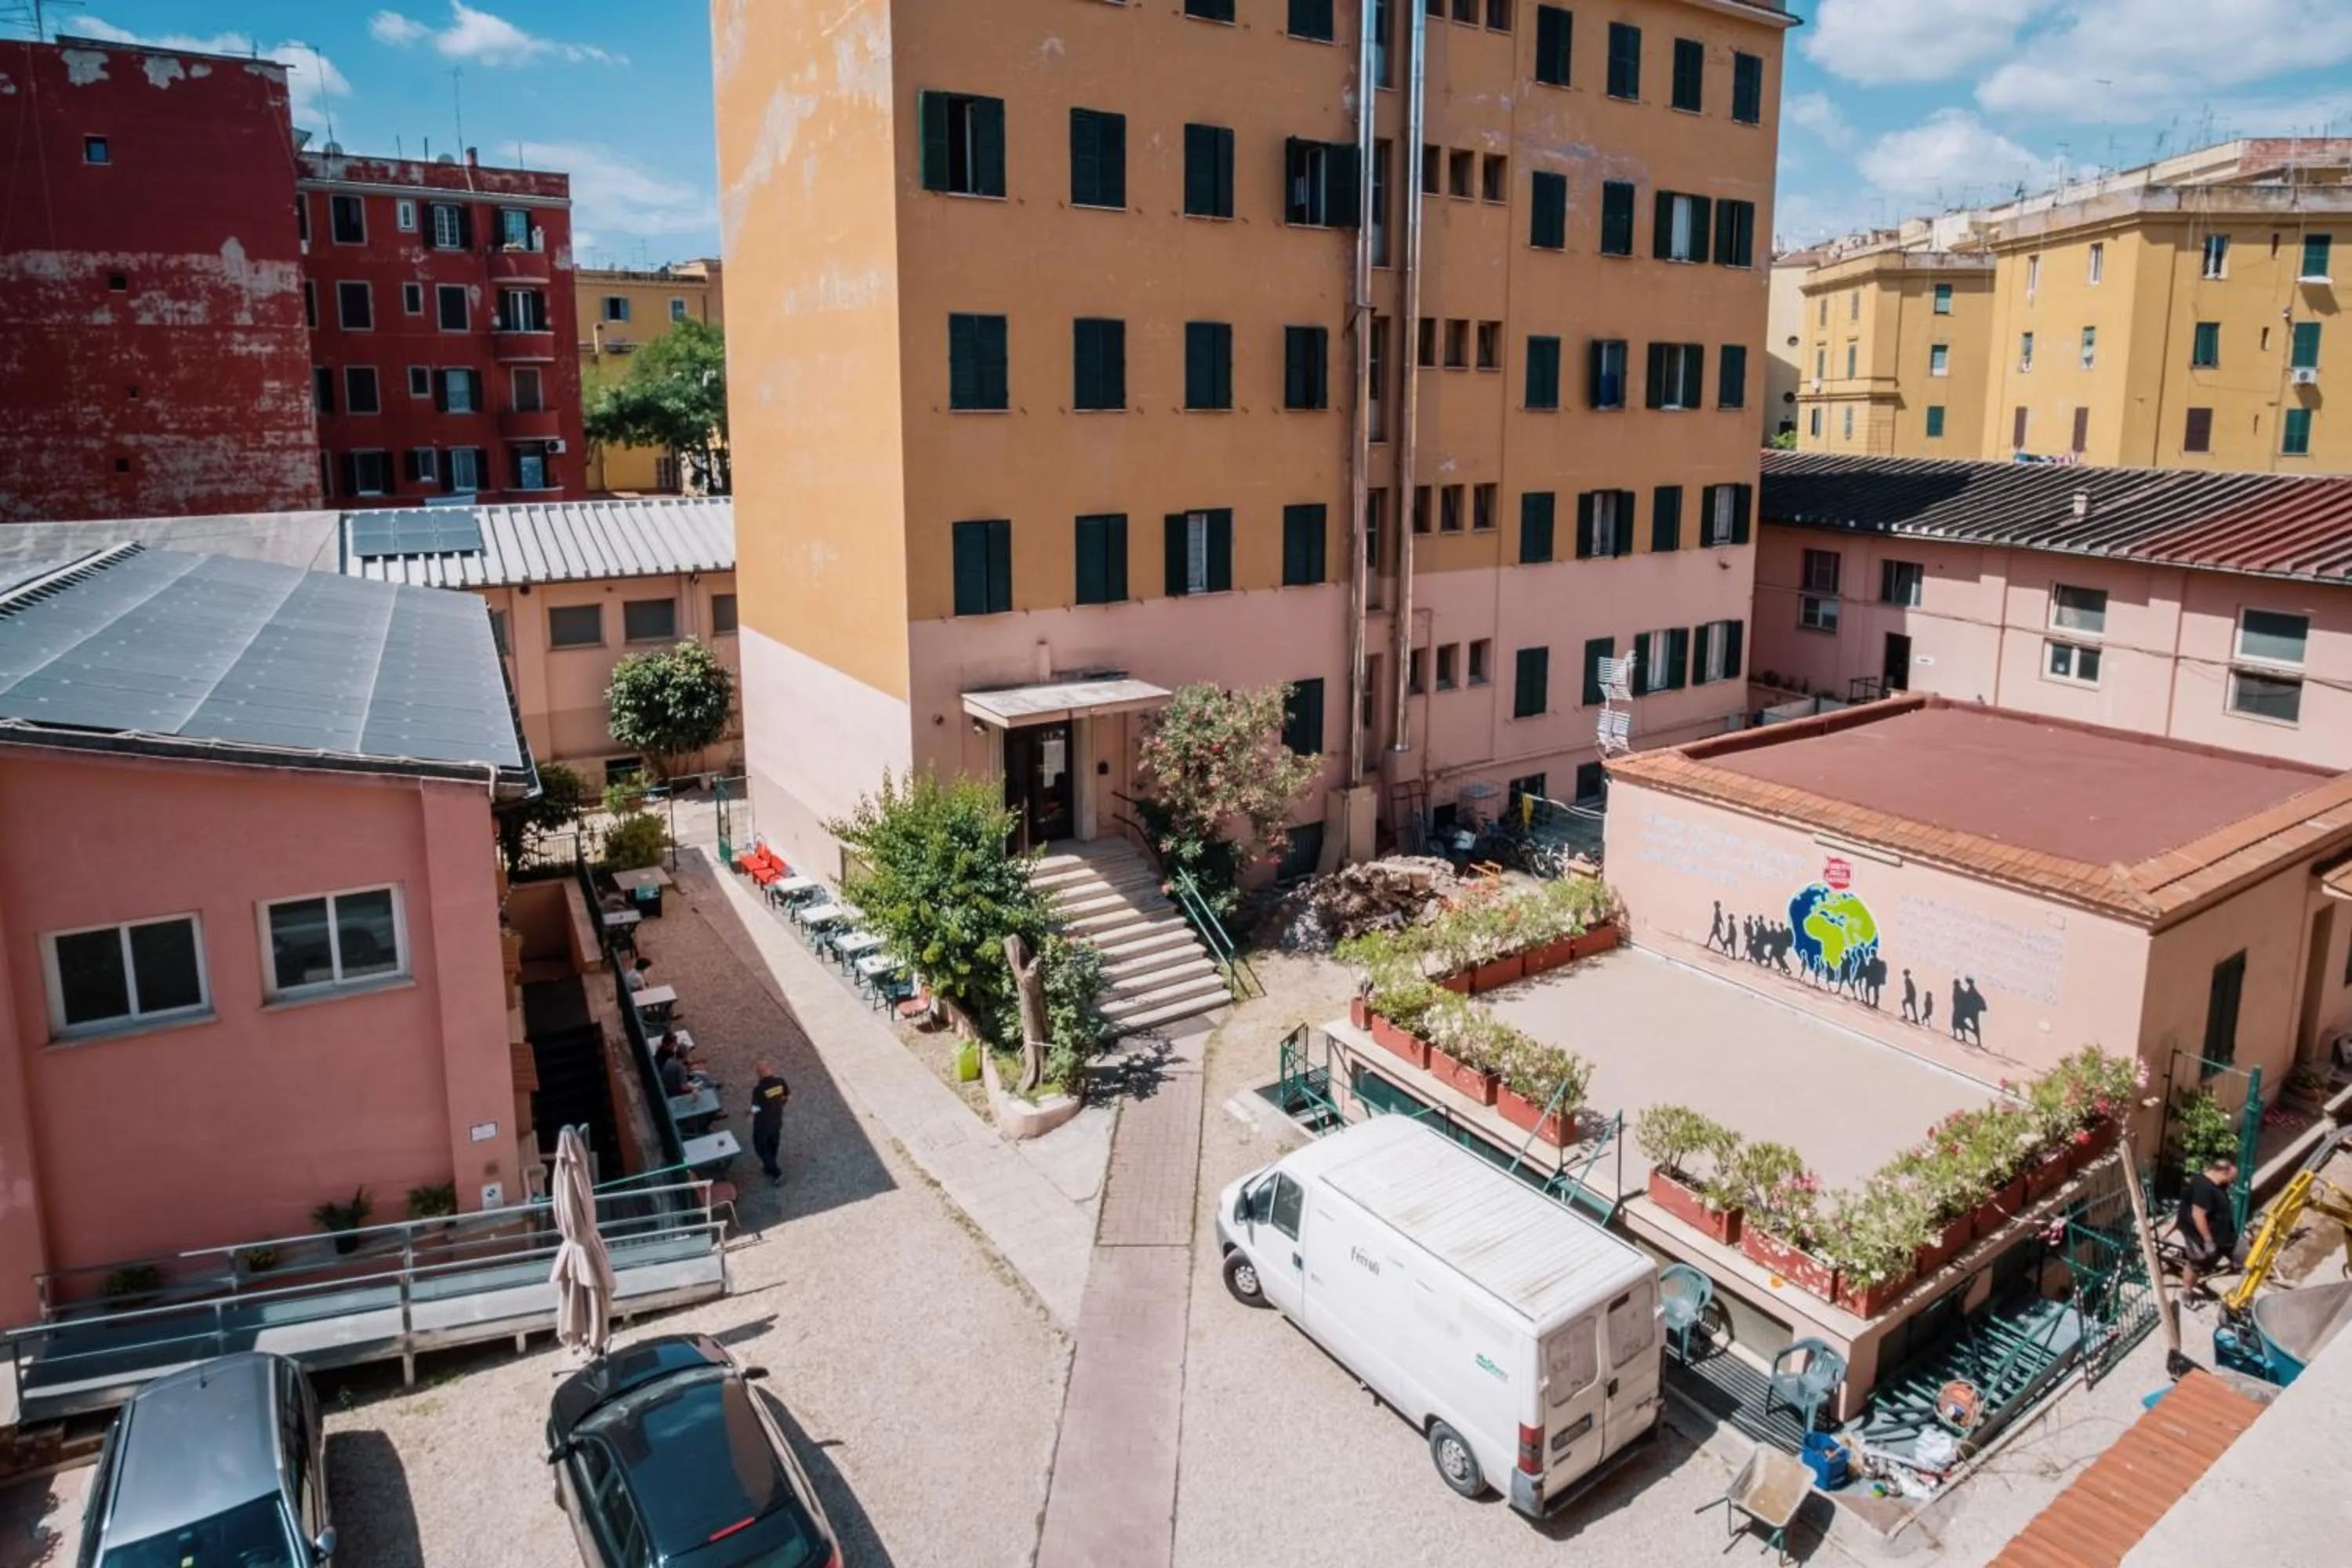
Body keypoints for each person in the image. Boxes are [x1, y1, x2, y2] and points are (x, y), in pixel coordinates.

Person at [2177, 1155, 2248, 1298]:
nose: (2231, 1182)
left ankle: (2243, 1293)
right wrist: (2208, 1241)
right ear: (2224, 1172)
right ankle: (2187, 1293)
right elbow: (2198, 1214)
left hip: (2225, 1234)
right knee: (2197, 1264)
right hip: (2200, 1236)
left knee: (2246, 1257)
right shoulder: (2203, 1187)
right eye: (2231, 1178)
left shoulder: (2218, 1184)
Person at [750, 1059, 791, 1184]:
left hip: (762, 1123)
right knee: (773, 1144)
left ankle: (776, 1173)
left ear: (758, 1073)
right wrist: (779, 1105)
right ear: (771, 1069)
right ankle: (769, 1167)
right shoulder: (780, 1082)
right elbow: (788, 1097)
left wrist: (749, 1114)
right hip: (777, 1120)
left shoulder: (759, 1089)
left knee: (761, 1147)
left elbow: (755, 1108)